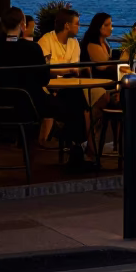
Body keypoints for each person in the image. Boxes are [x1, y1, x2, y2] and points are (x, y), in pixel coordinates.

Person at [0, 6, 50, 118]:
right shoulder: (33, 48)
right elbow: (44, 80)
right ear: (22, 25)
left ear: (2, 25)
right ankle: (43, 136)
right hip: (27, 106)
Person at [37, 10, 88, 162]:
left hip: (67, 87)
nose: (79, 27)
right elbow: (45, 70)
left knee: (77, 98)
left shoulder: (74, 43)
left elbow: (75, 70)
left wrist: (62, 71)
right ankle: (79, 144)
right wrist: (66, 70)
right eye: (77, 24)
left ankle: (72, 139)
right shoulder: (46, 41)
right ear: (67, 25)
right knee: (78, 101)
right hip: (48, 88)